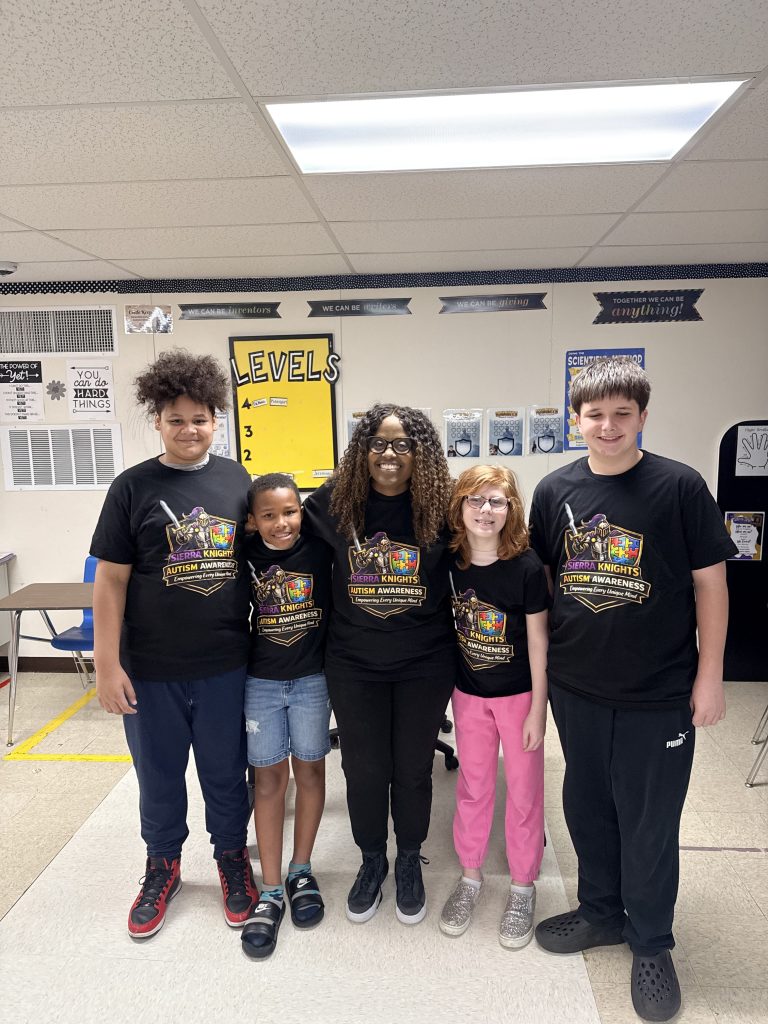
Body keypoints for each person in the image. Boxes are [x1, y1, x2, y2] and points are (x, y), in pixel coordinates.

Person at [528, 356, 737, 1022]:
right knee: (588, 808)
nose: (609, 426)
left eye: (623, 414)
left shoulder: (680, 487)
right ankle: (600, 912)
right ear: (576, 420)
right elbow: (545, 585)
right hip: (578, 685)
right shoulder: (554, 489)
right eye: (596, 414)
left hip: (660, 690)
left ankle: (650, 941)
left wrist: (710, 676)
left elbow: (711, 585)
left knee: (648, 823)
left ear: (643, 415)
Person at [91, 349, 258, 939]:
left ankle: (233, 860)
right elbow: (109, 580)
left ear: (217, 420)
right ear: (157, 421)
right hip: (151, 668)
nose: (190, 430)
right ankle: (162, 865)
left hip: (224, 664)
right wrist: (106, 666)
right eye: (176, 419)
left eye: (201, 418)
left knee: (224, 770)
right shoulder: (131, 488)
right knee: (159, 775)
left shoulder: (238, 480)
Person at [302, 403, 456, 925]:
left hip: (425, 661)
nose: (390, 455)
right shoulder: (331, 505)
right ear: (363, 450)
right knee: (363, 768)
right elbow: (283, 549)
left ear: (421, 455)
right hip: (352, 661)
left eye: (403, 445)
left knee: (413, 769)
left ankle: (409, 856)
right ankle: (372, 859)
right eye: (379, 444)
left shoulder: (441, 508)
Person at [438, 466, 548, 948]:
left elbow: (541, 644)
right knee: (473, 786)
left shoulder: (525, 568)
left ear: (511, 509)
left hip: (519, 696)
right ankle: (470, 877)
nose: (486, 510)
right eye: (475, 500)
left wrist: (538, 709)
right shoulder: (449, 563)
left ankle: (523, 886)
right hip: (469, 696)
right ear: (459, 508)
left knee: (524, 792)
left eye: (496, 502)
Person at [240, 473, 332, 959]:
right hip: (261, 686)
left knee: (311, 771)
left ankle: (301, 870)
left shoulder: (320, 552)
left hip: (313, 682)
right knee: (269, 780)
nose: (282, 523)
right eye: (269, 515)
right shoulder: (244, 558)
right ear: (253, 522)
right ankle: (271, 889)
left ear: (303, 511)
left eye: (290, 512)